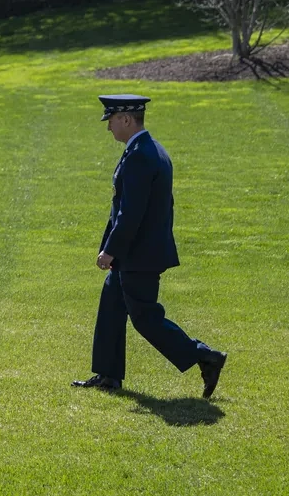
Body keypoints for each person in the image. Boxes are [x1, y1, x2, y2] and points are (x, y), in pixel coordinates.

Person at [72, 94, 226, 397]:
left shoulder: (141, 156)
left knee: (145, 318)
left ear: (126, 119)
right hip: (135, 253)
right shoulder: (148, 149)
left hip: (139, 256)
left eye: (112, 121)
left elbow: (131, 213)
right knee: (111, 307)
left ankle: (204, 355)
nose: (109, 129)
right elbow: (122, 207)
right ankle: (108, 375)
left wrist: (111, 250)